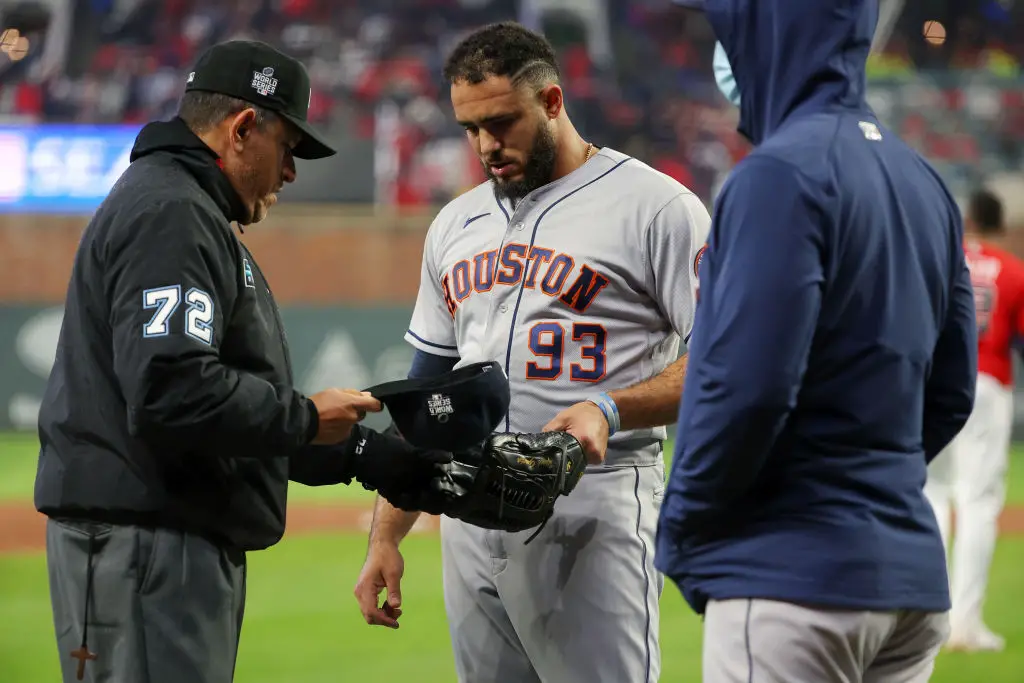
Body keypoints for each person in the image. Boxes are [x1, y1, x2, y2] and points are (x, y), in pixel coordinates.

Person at [34, 39, 452, 683]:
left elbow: (223, 415)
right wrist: (308, 417)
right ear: (242, 128)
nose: (290, 172)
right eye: (288, 148)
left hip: (160, 540)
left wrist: (365, 457)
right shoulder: (172, 213)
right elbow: (173, 391)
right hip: (149, 544)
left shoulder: (184, 209)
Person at [352, 20, 711, 683]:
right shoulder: (455, 223)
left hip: (593, 500)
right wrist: (386, 533)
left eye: (501, 122)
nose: (486, 144)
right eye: (470, 128)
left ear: (551, 101)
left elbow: (722, 361)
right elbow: (426, 395)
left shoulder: (659, 209)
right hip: (468, 503)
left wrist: (608, 404)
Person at [655, 1, 977, 682]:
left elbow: (747, 388)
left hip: (791, 578)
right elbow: (952, 389)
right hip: (909, 586)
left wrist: (682, 527)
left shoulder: (776, 174)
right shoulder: (923, 180)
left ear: (772, 33)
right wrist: (868, 486)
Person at [924, 188, 1021, 652]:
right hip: (987, 384)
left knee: (934, 496)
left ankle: (929, 619)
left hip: (933, 383)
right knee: (979, 503)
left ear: (967, 220)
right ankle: (965, 626)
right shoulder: (1014, 269)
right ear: (1001, 224)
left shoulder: (943, 256)